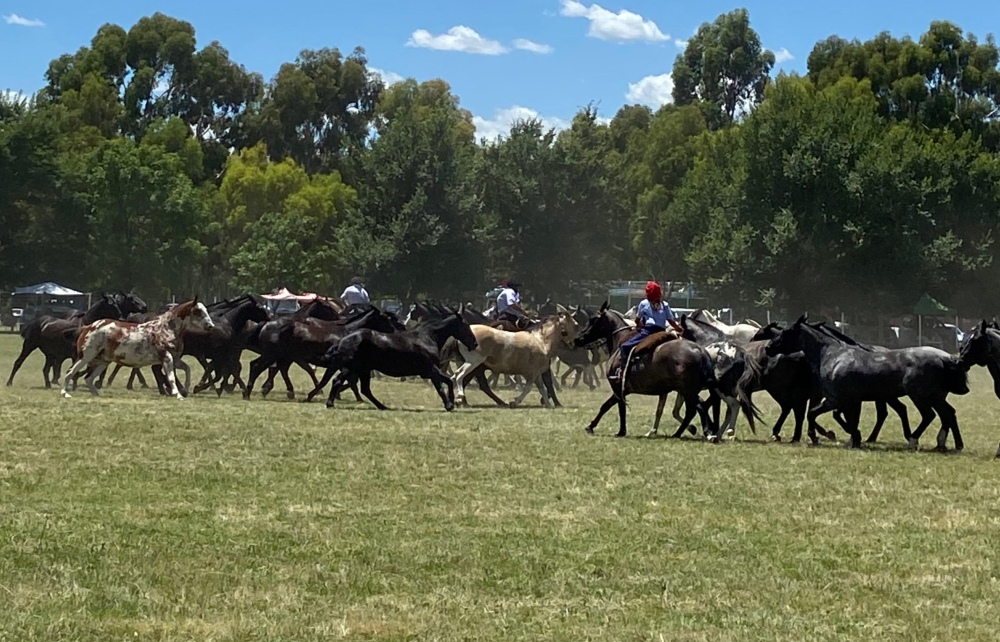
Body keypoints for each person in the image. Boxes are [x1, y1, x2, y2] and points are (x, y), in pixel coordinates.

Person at [609, 280, 682, 381]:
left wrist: (639, 326)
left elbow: (637, 320)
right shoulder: (665, 304)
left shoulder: (643, 303)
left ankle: (622, 372)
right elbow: (671, 321)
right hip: (663, 331)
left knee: (625, 346)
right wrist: (679, 329)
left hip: (648, 331)